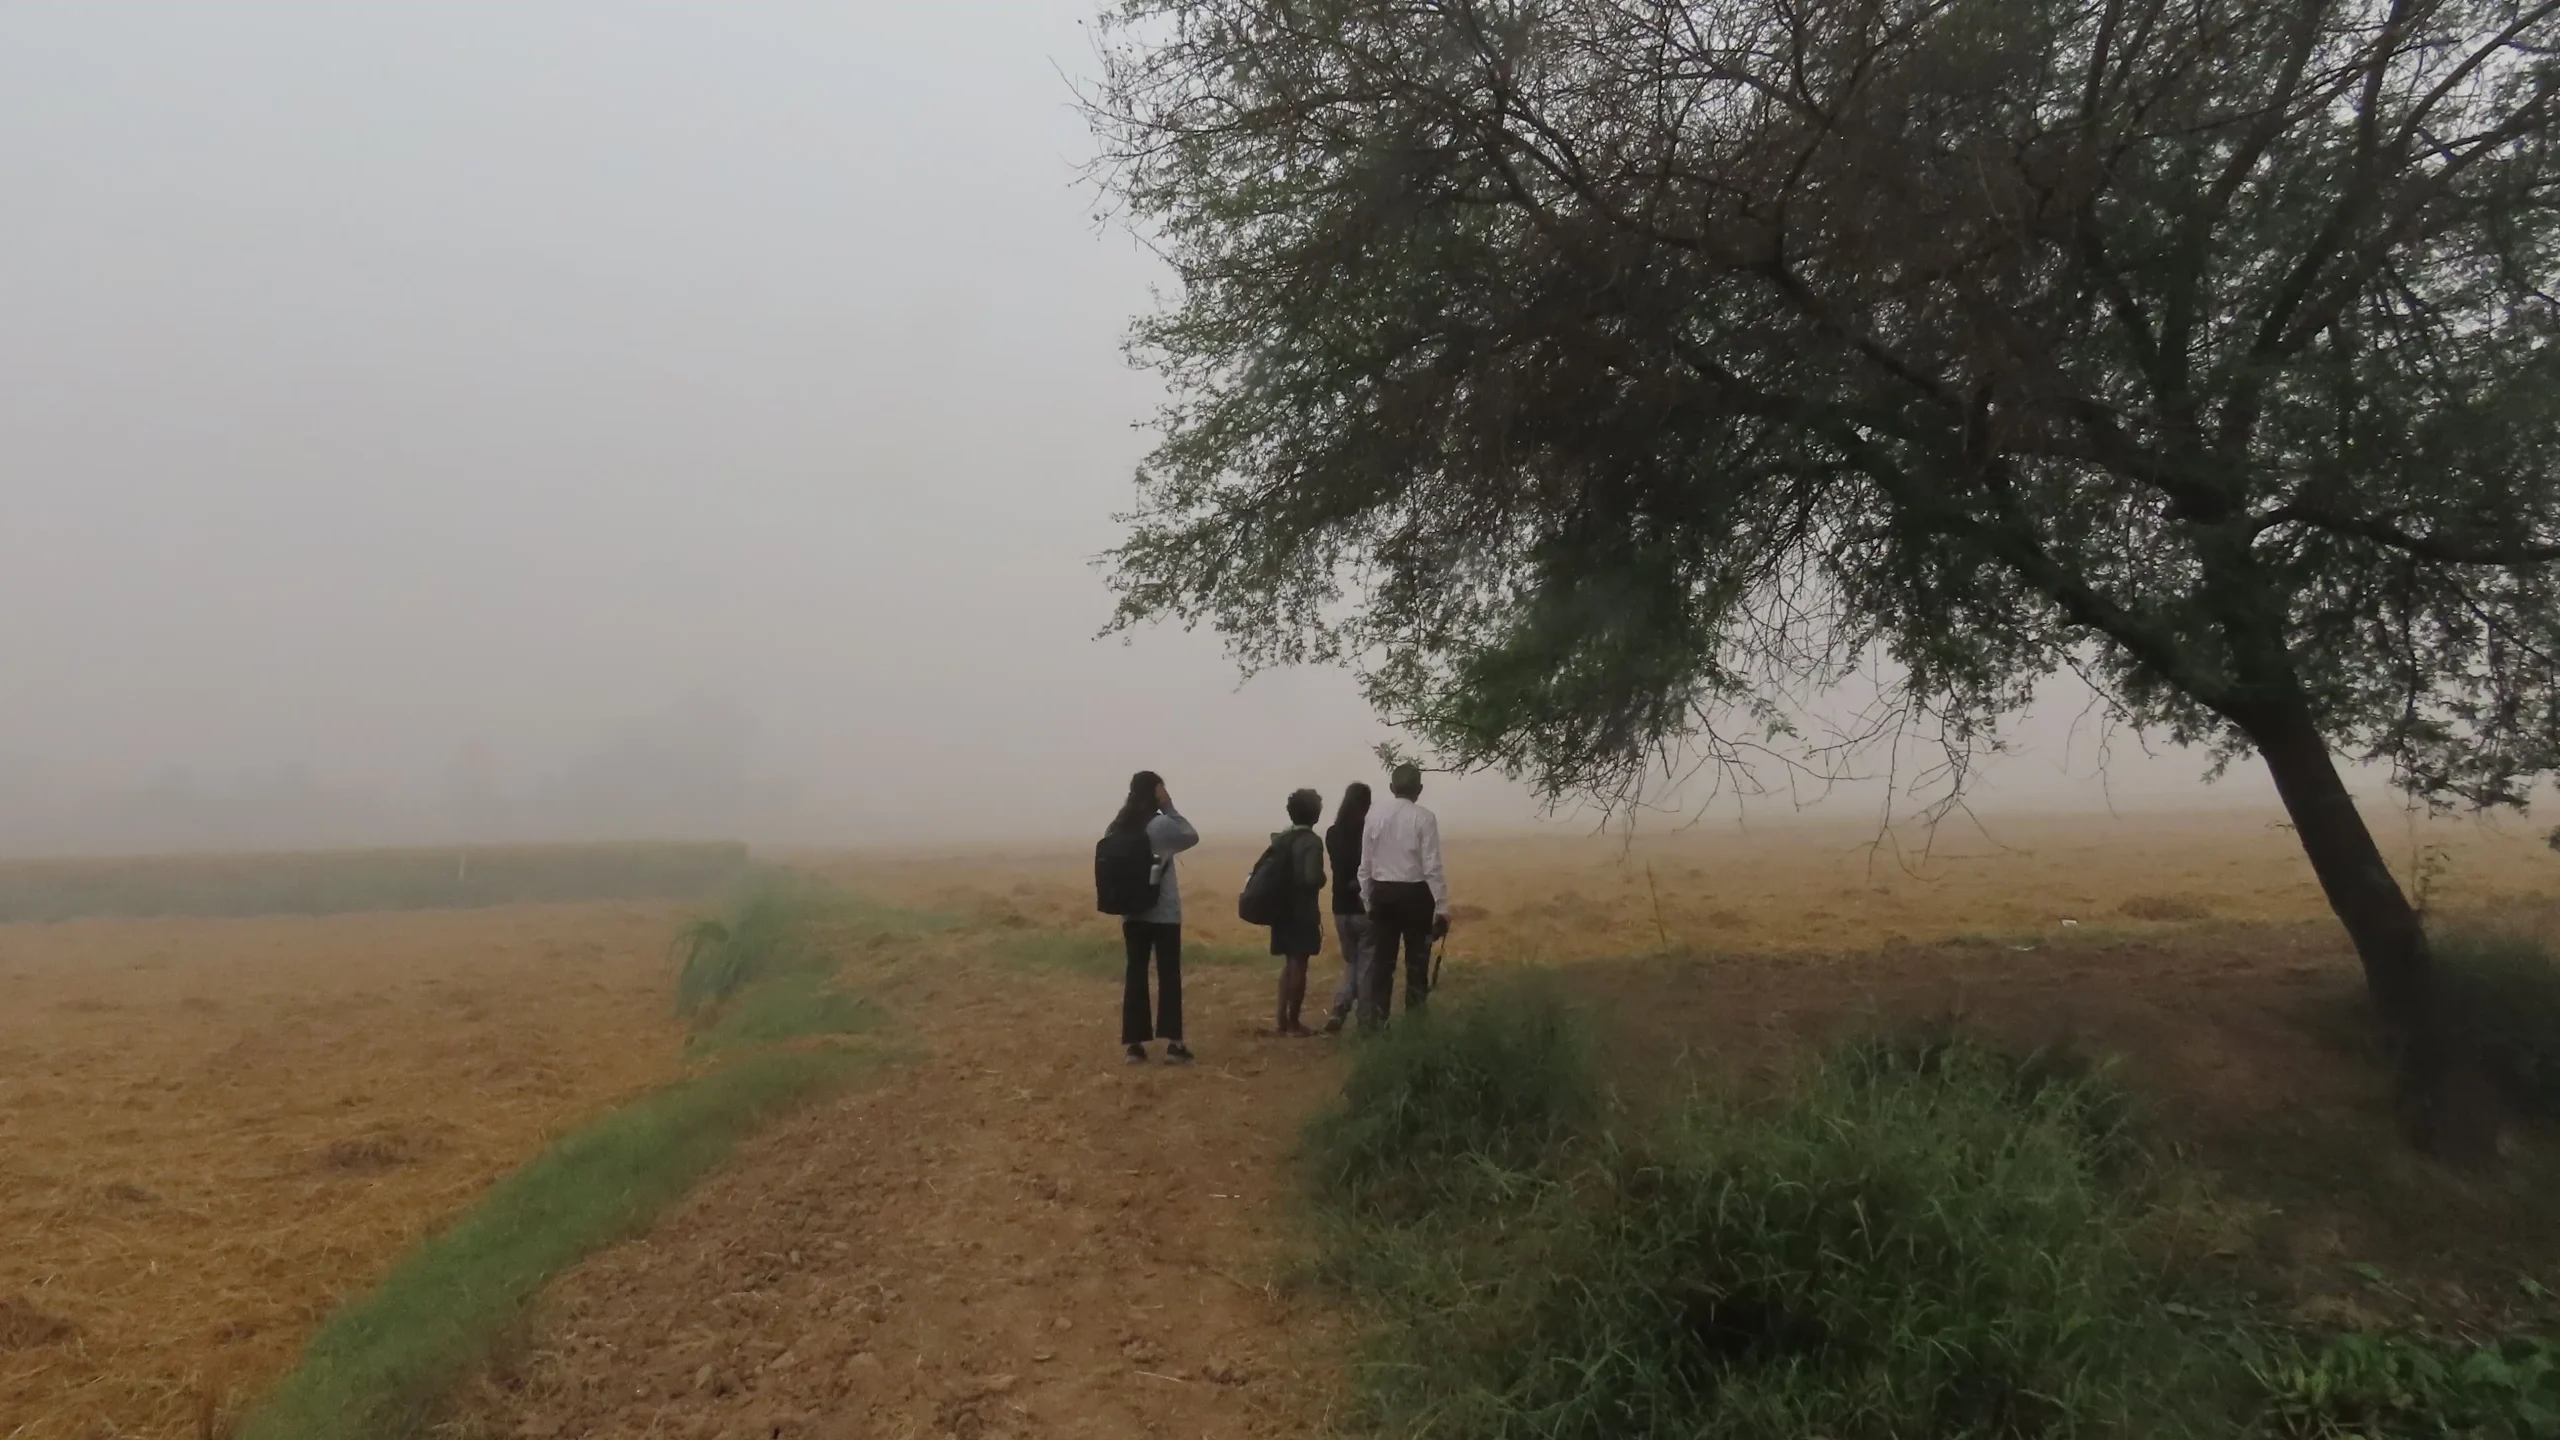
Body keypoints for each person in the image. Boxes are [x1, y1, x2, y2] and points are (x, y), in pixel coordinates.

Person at [1110, 771, 1199, 1064]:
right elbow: (1191, 835)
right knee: (1168, 975)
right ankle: (1174, 1044)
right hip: (1164, 912)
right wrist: (1169, 805)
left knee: (1135, 975)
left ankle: (1134, 1046)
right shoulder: (1161, 825)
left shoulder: (1117, 826)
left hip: (1131, 912)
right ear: (1156, 792)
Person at [1357, 763, 1449, 1028]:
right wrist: (1442, 907)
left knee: (1382, 964)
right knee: (1417, 963)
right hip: (1416, 895)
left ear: (1391, 788)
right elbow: (1432, 867)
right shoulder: (1425, 817)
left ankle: (1378, 1022)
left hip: (1382, 893)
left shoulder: (1374, 816)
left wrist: (1368, 901)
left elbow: (1365, 865)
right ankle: (1415, 1023)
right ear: (1419, 789)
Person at [1264, 788, 1328, 1036]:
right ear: (1315, 813)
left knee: (1288, 964)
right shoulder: (1312, 841)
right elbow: (1312, 878)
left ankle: (1281, 1021)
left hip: (1280, 909)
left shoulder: (1281, 838)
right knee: (1299, 964)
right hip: (1302, 911)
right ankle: (1293, 1023)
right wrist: (1322, 878)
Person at [1320, 781, 1373, 1034]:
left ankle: (1339, 1009)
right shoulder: (1370, 832)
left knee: (1351, 962)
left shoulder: (1332, 833)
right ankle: (1366, 1019)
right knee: (1367, 966)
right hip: (1364, 906)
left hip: (1340, 907)